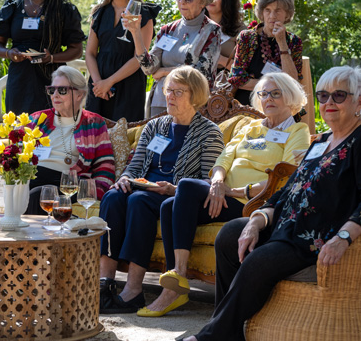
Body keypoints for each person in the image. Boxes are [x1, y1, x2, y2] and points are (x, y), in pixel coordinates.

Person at [165, 66, 361, 341]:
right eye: (323, 96)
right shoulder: (322, 140)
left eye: (339, 95)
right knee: (231, 233)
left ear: (360, 100)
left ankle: (212, 336)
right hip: (287, 226)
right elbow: (289, 189)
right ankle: (233, 333)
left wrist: (344, 237)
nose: (329, 103)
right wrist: (258, 220)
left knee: (260, 259)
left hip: (316, 236)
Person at [139, 72, 311, 317]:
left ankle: (178, 275)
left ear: (291, 98)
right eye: (263, 94)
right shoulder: (251, 127)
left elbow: (284, 178)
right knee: (169, 205)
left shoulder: (298, 132)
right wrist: (217, 183)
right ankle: (176, 284)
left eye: (276, 93)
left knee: (186, 186)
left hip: (252, 202)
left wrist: (235, 190)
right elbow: (224, 158)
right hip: (223, 196)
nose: (268, 99)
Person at [98, 66, 224, 313]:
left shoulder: (210, 133)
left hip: (172, 196)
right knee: (113, 196)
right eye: (168, 91)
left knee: (139, 202)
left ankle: (133, 289)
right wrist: (124, 178)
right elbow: (135, 165)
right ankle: (105, 284)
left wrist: (174, 189)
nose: (170, 97)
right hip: (142, 188)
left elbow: (204, 182)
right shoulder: (155, 126)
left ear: (195, 95)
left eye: (178, 92)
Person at [0, 0, 85, 115]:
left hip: (52, 79)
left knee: (51, 129)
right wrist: (9, 53)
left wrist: (52, 58)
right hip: (20, 78)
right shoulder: (13, 8)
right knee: (20, 128)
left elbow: (76, 50)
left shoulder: (63, 10)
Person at [127, 0, 222, 118]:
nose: (182, 1)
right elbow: (149, 68)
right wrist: (135, 32)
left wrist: (165, 72)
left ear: (202, 1)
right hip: (160, 101)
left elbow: (201, 73)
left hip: (190, 104)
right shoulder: (168, 29)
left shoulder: (212, 30)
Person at [25, 66, 116, 215]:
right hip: (33, 176)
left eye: (62, 91)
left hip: (67, 182)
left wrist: (95, 193)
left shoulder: (93, 123)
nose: (55, 95)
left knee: (36, 194)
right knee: (22, 188)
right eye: (52, 90)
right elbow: (19, 151)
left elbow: (104, 164)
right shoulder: (38, 119)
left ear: (79, 94)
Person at [84, 0, 160, 123]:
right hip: (99, 86)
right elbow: (90, 53)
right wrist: (99, 84)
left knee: (124, 140)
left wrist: (109, 82)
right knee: (94, 136)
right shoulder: (99, 12)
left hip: (129, 85)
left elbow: (140, 57)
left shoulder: (144, 13)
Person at [228, 0, 303, 107]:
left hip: (281, 108)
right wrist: (273, 89)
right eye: (268, 10)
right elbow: (236, 79)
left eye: (278, 10)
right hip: (247, 107)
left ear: (287, 14)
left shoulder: (294, 42)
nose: (272, 16)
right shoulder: (247, 38)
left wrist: (282, 43)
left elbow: (293, 82)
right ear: (262, 13)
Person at [205, 0, 245, 74]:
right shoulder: (195, 25)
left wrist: (221, 59)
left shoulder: (241, 31)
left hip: (225, 86)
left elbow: (245, 71)